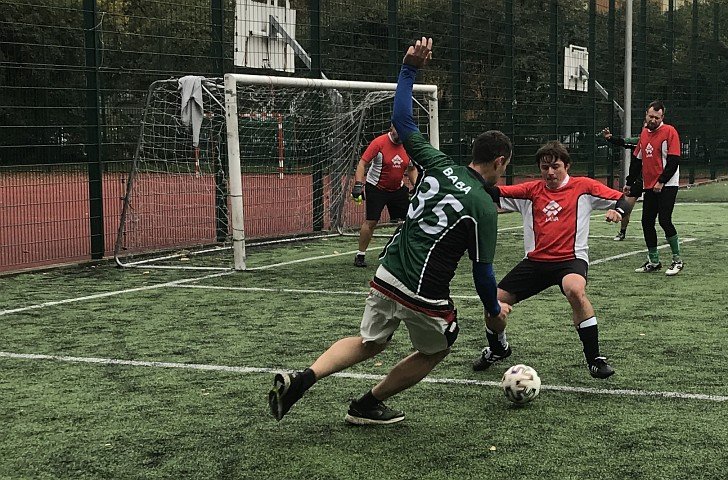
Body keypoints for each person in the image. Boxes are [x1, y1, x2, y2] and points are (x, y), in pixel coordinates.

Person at [268, 36, 513, 425]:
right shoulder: (483, 206)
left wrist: (408, 69)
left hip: (387, 273)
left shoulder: (436, 163)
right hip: (424, 291)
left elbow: (402, 121)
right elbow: (483, 271)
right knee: (438, 347)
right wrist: (494, 310)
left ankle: (303, 378)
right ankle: (367, 404)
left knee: (370, 342)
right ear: (499, 161)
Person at [472, 140, 633, 379]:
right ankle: (498, 349)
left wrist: (618, 211)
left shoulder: (584, 187)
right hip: (535, 263)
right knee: (492, 302)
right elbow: (493, 192)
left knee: (575, 290)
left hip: (570, 260)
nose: (550, 172)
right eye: (544, 167)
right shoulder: (530, 191)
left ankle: (595, 360)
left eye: (555, 166)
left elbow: (624, 200)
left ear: (567, 166)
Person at [629, 100, 684, 276]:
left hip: (667, 184)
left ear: (662, 117)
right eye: (651, 116)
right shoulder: (644, 133)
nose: (653, 120)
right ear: (646, 114)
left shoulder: (669, 132)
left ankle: (677, 260)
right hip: (649, 185)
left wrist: (661, 181)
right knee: (647, 222)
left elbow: (674, 160)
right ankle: (654, 261)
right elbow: (637, 160)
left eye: (657, 117)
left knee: (664, 220)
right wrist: (629, 182)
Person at [352, 125, 419, 268]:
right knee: (371, 222)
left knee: (410, 220)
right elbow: (362, 164)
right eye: (397, 130)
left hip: (397, 189)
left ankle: (404, 254)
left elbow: (412, 168)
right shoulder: (379, 143)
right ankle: (360, 255)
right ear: (391, 128)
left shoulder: (408, 146)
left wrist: (417, 185)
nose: (400, 133)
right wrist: (358, 184)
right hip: (376, 188)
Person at [601, 126, 641, 241]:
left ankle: (668, 233)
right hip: (637, 181)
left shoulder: (660, 143)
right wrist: (610, 138)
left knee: (660, 210)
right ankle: (622, 232)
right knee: (626, 207)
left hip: (654, 181)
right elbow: (623, 142)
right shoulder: (639, 142)